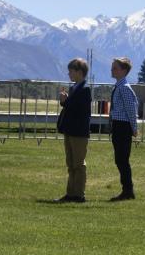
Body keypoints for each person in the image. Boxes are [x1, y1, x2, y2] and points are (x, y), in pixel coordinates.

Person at [54, 58, 91, 203]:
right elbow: (72, 106)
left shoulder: (85, 89)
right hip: (70, 131)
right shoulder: (75, 87)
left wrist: (65, 101)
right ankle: (70, 193)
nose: (69, 73)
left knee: (78, 164)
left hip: (79, 132)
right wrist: (66, 101)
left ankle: (79, 194)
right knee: (70, 163)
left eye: (71, 71)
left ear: (79, 72)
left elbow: (79, 110)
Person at [109, 57, 139, 201]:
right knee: (119, 159)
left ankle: (128, 190)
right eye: (112, 67)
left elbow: (131, 111)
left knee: (122, 160)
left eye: (115, 68)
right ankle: (126, 190)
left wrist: (134, 128)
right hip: (118, 126)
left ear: (124, 71)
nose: (112, 70)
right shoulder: (119, 86)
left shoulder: (125, 88)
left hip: (123, 127)